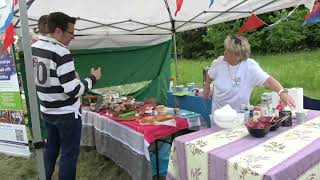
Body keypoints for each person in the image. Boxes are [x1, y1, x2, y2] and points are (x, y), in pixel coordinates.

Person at [31, 12, 102, 180]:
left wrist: (70, 78)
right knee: (69, 155)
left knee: (51, 150)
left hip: (47, 110)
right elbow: (73, 90)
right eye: (71, 33)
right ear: (57, 31)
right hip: (66, 114)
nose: (73, 37)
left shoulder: (34, 47)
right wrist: (92, 78)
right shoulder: (62, 52)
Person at [204, 35, 295, 113]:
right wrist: (207, 87)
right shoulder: (218, 63)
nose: (224, 53)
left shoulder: (249, 66)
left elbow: (268, 80)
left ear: (238, 55)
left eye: (228, 51)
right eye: (225, 49)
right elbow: (209, 74)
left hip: (239, 115)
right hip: (218, 115)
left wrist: (282, 93)